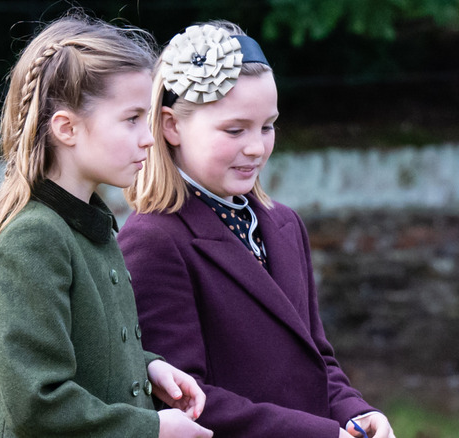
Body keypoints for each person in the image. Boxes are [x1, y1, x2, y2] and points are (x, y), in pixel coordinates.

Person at [118, 21, 395, 438]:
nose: (256, 147)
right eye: (235, 129)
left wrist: (356, 414)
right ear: (172, 126)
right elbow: (186, 401)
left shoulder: (285, 224)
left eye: (267, 126)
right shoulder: (154, 239)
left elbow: (318, 360)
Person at [0, 14, 213, 438]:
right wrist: (153, 429)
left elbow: (89, 348)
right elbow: (39, 402)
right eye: (131, 119)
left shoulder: (89, 224)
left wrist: (150, 367)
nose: (148, 138)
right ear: (67, 128)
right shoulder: (35, 237)